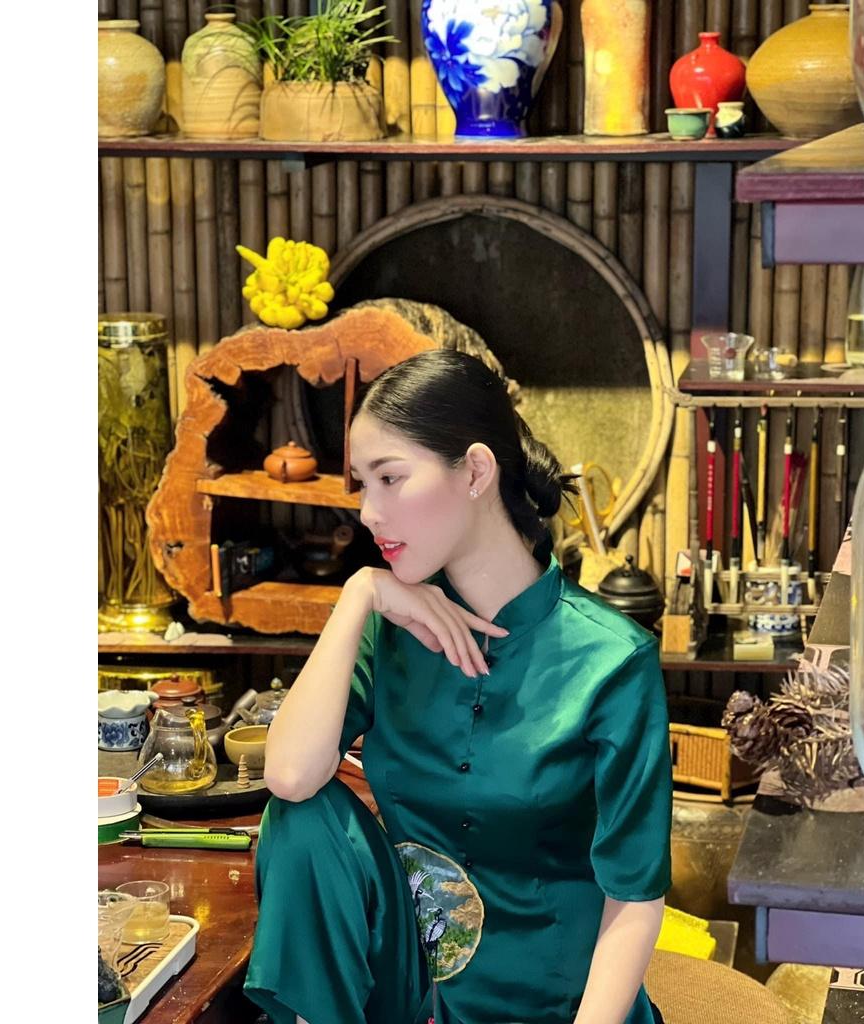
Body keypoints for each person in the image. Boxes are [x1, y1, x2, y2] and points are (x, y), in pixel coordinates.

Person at [244, 350, 672, 1024]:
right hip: (414, 997)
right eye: (362, 485)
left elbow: (636, 896)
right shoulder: (389, 630)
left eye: (390, 478)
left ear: (475, 471)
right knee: (300, 817)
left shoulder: (613, 661)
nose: (368, 513)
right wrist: (359, 595)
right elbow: (290, 775)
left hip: (552, 1003)